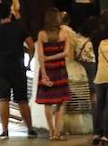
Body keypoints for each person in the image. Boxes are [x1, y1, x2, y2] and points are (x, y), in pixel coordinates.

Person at [0, 0, 35, 138]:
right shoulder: (19, 27)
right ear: (10, 13)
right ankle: (30, 129)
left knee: (3, 99)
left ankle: (5, 131)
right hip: (18, 68)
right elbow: (31, 45)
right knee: (22, 100)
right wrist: (29, 61)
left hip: (0, 68)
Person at [33, 9, 71, 141]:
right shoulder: (65, 33)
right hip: (60, 70)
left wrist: (43, 74)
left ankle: (51, 132)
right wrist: (53, 57)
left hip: (47, 70)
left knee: (47, 103)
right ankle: (57, 133)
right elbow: (65, 53)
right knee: (61, 103)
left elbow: (40, 57)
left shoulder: (42, 34)